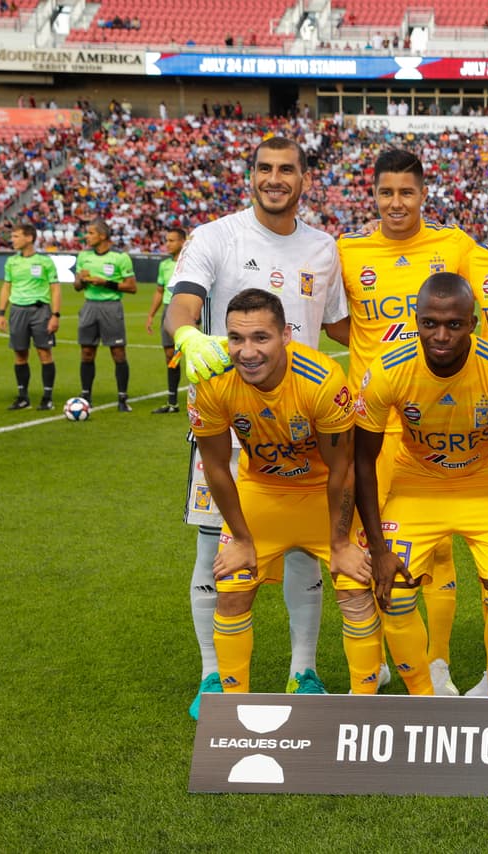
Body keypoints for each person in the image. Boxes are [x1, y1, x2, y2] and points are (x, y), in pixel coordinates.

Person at [165, 136, 352, 719]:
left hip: (307, 425)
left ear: (304, 179)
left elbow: (348, 329)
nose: (275, 178)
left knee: (303, 554)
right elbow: (183, 303)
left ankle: (305, 670)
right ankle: (213, 677)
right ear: (250, 175)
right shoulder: (215, 236)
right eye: (265, 169)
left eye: (287, 170)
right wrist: (186, 336)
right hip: (230, 420)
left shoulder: (324, 248)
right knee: (214, 550)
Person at [354, 273, 488, 697]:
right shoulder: (387, 368)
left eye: (454, 324)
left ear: (473, 322)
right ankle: (423, 696)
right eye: (430, 323)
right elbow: (362, 460)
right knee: (395, 592)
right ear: (415, 320)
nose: (441, 335)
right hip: (418, 485)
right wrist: (378, 549)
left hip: (487, 484)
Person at [192, 289, 382, 696]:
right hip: (262, 492)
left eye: (261, 337)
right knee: (232, 590)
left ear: (286, 336)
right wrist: (242, 539)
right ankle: (230, 706)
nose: (247, 351)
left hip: (321, 494)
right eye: (236, 338)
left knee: (355, 589)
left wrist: (339, 542)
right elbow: (214, 466)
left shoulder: (323, 379)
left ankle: (362, 706)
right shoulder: (211, 379)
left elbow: (342, 469)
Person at [337, 148, 478, 696]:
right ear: (372, 195)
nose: (396, 203)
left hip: (435, 418)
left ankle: (435, 664)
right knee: (371, 546)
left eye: (407, 192)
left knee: (437, 548)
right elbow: (340, 324)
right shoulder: (347, 250)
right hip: (373, 421)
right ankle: (382, 662)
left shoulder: (454, 246)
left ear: (424, 194)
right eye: (386, 193)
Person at [74, 218, 136, 411]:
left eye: (91, 233)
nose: (87, 236)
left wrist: (105, 283)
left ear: (103, 236)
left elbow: (132, 287)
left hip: (111, 306)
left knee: (117, 353)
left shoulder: (120, 257)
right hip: (89, 306)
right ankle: (86, 396)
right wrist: (82, 280)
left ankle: (122, 399)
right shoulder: (83, 256)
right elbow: (76, 286)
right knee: (86, 352)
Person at [0, 223, 59, 411]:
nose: (12, 240)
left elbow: (55, 289)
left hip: (40, 311)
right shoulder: (12, 262)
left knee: (44, 352)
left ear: (29, 238)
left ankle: (47, 397)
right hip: (17, 311)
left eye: (16, 236)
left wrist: (55, 315)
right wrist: (1, 312)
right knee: (20, 354)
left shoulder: (45, 262)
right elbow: (6, 286)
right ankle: (23, 397)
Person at [144, 227, 186, 413]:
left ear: (183, 242)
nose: (167, 244)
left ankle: (202, 402)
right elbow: (159, 291)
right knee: (170, 356)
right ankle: (172, 402)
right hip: (168, 311)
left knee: (194, 357)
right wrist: (151, 315)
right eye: (166, 240)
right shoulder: (164, 265)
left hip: (186, 310)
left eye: (172, 240)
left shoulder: (192, 263)